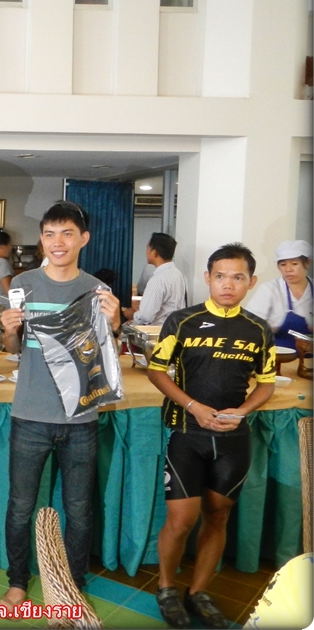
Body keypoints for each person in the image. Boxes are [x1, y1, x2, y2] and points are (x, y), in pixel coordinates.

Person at [0, 200, 121, 613]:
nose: (58, 242)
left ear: (83, 239)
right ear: (41, 239)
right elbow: (13, 349)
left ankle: (73, 583)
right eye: (50, 234)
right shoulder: (23, 283)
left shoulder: (98, 291)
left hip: (81, 417)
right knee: (20, 506)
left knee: (79, 510)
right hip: (29, 415)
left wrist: (115, 325)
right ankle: (18, 581)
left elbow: (104, 357)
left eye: (67, 233)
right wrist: (8, 331)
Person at [147, 243, 275, 629]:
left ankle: (199, 591)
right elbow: (156, 371)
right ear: (207, 278)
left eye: (238, 277)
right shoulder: (182, 321)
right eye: (220, 276)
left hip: (233, 440)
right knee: (181, 520)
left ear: (251, 281)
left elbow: (266, 383)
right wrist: (193, 406)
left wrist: (243, 411)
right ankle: (167, 589)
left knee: (218, 516)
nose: (228, 284)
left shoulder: (258, 329)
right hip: (188, 434)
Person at [245, 239, 312, 350]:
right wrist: (269, 328)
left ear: (307, 263)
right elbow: (248, 325)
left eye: (294, 264)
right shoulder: (269, 289)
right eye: (283, 264)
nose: (288, 269)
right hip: (277, 354)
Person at [124, 232, 188, 326]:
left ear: (154, 253)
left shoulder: (158, 279)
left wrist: (132, 314)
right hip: (174, 328)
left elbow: (145, 317)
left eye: (147, 248)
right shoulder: (178, 275)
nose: (146, 252)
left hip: (158, 331)